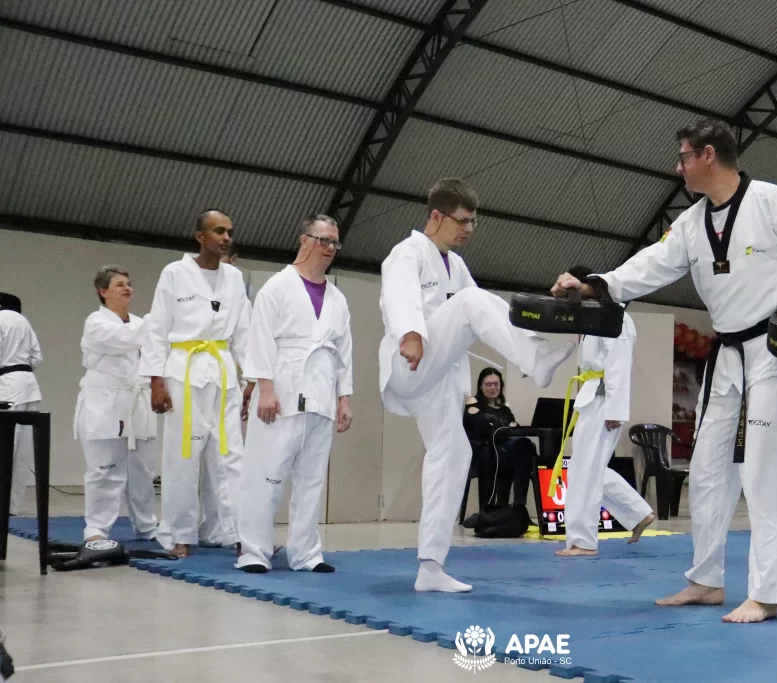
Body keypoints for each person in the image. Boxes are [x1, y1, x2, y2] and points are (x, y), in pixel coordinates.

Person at [551, 119, 777, 623]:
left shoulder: (771, 201)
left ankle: (767, 592)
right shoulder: (690, 224)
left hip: (776, 349)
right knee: (707, 470)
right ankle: (706, 580)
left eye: (684, 157)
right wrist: (596, 285)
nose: (678, 167)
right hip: (727, 354)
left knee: (765, 470)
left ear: (708, 155)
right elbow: (650, 265)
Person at [379, 178, 576, 593]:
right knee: (471, 301)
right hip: (410, 359)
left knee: (454, 455)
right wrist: (409, 332)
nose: (469, 228)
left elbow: (489, 317)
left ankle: (430, 566)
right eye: (462, 220)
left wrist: (534, 321)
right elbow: (399, 296)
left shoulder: (455, 264)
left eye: (474, 221)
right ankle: (536, 360)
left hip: (439, 373)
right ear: (437, 215)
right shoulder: (407, 253)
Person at [235, 215, 353, 574]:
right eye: (323, 240)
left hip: (322, 393)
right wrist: (265, 389)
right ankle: (254, 551)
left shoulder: (337, 299)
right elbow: (259, 339)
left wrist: (344, 398)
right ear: (304, 240)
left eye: (334, 242)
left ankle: (305, 554)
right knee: (266, 476)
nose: (330, 248)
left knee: (312, 480)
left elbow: (344, 352)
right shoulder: (277, 287)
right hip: (281, 393)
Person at [140, 209, 252, 558]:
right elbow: (157, 329)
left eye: (229, 231)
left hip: (223, 372)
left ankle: (237, 534)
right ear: (200, 237)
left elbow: (245, 332)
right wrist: (156, 381)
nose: (226, 238)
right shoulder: (175, 273)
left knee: (231, 455)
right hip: (183, 373)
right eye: (218, 231)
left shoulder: (234, 278)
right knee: (182, 456)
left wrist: (251, 380)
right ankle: (179, 534)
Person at [555, 265, 655, 558]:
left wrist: (615, 409)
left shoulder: (616, 317)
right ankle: (638, 513)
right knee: (588, 468)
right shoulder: (595, 317)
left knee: (585, 471)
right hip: (592, 396)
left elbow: (619, 365)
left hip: (602, 399)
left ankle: (583, 541)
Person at [75, 266, 159, 542]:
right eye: (120, 284)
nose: (127, 288)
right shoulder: (96, 322)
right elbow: (125, 340)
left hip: (137, 400)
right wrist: (160, 316)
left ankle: (147, 525)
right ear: (103, 291)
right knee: (104, 470)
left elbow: (154, 354)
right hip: (105, 403)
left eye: (129, 283)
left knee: (142, 471)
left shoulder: (139, 322)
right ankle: (96, 529)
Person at [463, 368, 533, 512]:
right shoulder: (473, 402)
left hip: (503, 452)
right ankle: (513, 507)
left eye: (496, 384)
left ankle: (517, 508)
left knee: (525, 450)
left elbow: (514, 429)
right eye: (488, 384)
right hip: (481, 453)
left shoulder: (504, 409)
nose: (493, 388)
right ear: (480, 386)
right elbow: (482, 427)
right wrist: (502, 426)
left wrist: (498, 426)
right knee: (524, 450)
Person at [0, 292, 42, 516]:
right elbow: (37, 358)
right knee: (23, 450)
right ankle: (12, 506)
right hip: (29, 385)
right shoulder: (24, 322)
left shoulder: (1, 320)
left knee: (5, 446)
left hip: (7, 386)